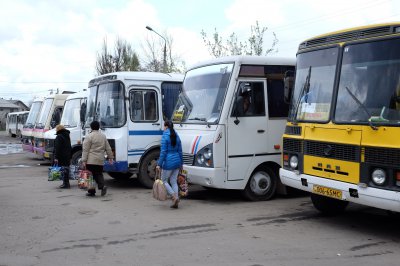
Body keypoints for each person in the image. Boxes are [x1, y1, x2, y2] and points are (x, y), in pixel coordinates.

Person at [82, 121, 114, 197]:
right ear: (98, 127)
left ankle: (91, 192)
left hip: (91, 160)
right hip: (100, 159)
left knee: (90, 176)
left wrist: (84, 160)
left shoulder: (89, 136)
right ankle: (102, 186)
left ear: (91, 127)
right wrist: (110, 157)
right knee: (99, 174)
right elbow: (108, 148)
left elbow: (85, 149)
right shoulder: (103, 136)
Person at [156, 120, 183, 209]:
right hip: (177, 161)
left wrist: (159, 164)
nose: (163, 128)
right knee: (173, 181)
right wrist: (181, 163)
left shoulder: (165, 137)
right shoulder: (177, 135)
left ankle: (173, 196)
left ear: (166, 127)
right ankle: (176, 200)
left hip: (168, 162)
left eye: (164, 126)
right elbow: (180, 151)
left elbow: (163, 152)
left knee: (164, 180)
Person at [54, 124, 72, 189]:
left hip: (61, 155)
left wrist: (56, 157)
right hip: (67, 155)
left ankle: (65, 184)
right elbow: (69, 146)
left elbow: (57, 148)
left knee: (64, 170)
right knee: (66, 169)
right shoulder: (67, 135)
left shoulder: (59, 136)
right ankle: (67, 183)